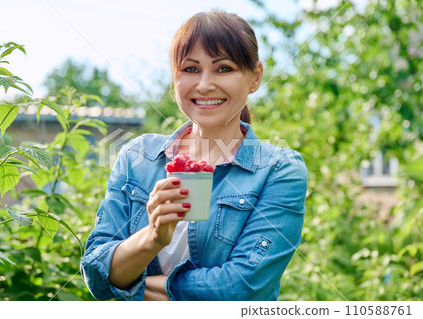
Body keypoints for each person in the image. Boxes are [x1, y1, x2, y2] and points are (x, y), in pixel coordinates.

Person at [80, 9, 308, 301]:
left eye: (224, 68)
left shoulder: (279, 170)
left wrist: (135, 287)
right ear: (174, 77)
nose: (204, 85)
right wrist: (152, 237)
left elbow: (241, 288)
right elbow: (98, 275)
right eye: (190, 69)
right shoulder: (137, 157)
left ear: (255, 77)